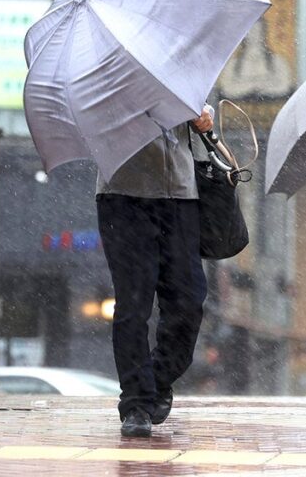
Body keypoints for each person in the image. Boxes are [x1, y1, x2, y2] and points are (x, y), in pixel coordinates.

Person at [96, 107, 214, 437]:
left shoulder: (176, 63)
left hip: (179, 194)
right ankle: (135, 404)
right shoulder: (104, 71)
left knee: (189, 301)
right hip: (123, 194)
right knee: (134, 305)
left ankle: (158, 378)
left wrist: (204, 114)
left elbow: (199, 101)